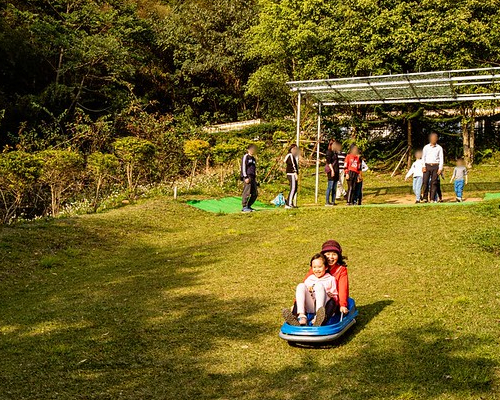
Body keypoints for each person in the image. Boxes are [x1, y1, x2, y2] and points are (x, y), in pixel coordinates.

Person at [282, 253, 338, 326]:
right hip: (310, 305)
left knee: (319, 286)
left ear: (326, 267)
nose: (317, 270)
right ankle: (301, 317)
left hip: (323, 306)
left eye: (320, 267)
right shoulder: (310, 279)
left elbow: (335, 298)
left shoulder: (331, 279)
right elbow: (302, 294)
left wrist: (329, 294)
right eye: (314, 267)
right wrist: (295, 305)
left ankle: (318, 317)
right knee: (301, 285)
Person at [422, 133, 444, 203]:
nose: (433, 139)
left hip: (435, 166)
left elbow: (441, 158)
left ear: (437, 139)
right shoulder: (426, 147)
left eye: (435, 138)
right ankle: (425, 198)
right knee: (425, 182)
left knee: (434, 183)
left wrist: (440, 168)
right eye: (432, 137)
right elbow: (423, 157)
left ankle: (432, 198)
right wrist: (423, 166)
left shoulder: (439, 148)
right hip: (427, 165)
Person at [241, 144, 258, 213]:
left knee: (255, 193)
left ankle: (249, 205)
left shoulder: (253, 158)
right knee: (247, 192)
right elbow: (243, 167)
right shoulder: (246, 157)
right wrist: (245, 177)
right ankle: (244, 206)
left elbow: (254, 168)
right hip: (247, 176)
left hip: (253, 177)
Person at [284, 144, 299, 209]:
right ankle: (288, 204)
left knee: (295, 188)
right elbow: (293, 165)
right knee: (293, 188)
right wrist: (295, 173)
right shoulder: (290, 155)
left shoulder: (292, 156)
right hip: (291, 174)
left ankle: (290, 202)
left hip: (292, 174)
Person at [325, 140, 340, 206]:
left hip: (336, 171)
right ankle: (327, 202)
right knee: (330, 187)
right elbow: (329, 162)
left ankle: (333, 201)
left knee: (334, 187)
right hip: (331, 171)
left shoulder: (335, 153)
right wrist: (332, 170)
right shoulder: (329, 152)